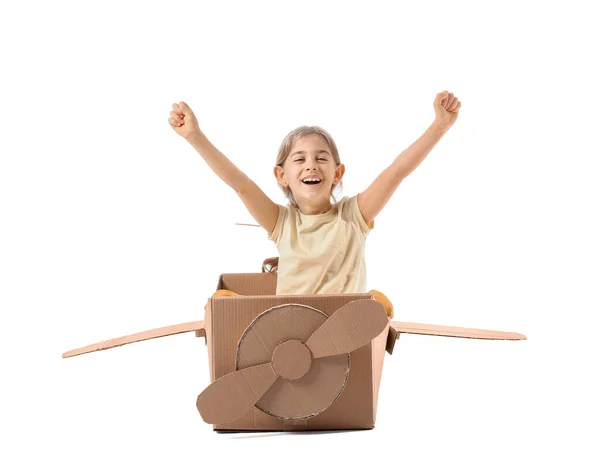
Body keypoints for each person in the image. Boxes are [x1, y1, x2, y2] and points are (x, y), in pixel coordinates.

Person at [167, 91, 462, 318]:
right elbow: (240, 184)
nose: (311, 166)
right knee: (223, 303)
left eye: (321, 158)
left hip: (339, 329)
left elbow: (396, 172)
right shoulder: (282, 223)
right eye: (300, 159)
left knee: (372, 304)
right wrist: (195, 136)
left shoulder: (352, 217)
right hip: (290, 329)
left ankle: (367, 316)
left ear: (338, 172)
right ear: (282, 176)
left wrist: (439, 127)